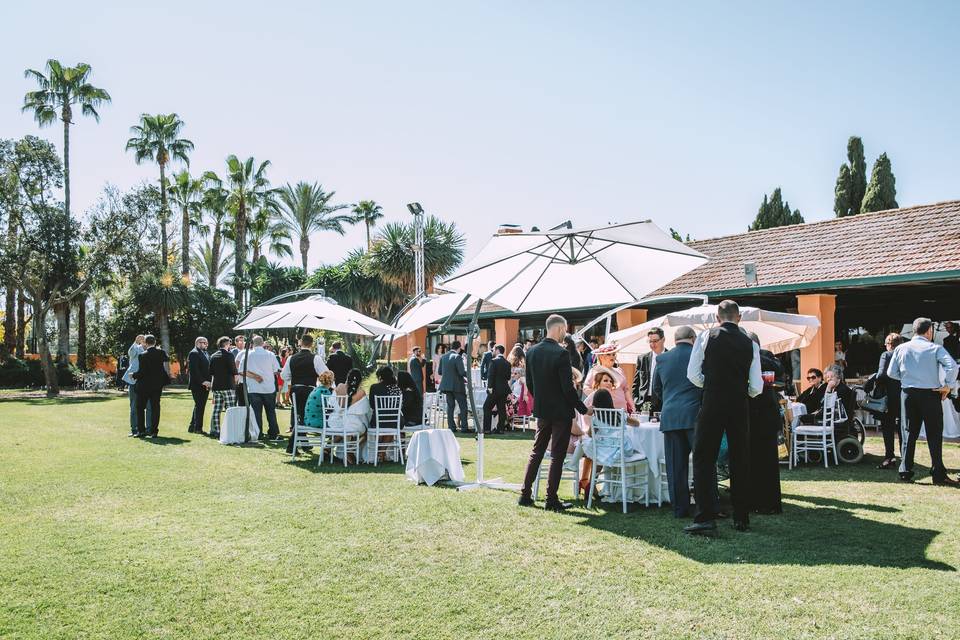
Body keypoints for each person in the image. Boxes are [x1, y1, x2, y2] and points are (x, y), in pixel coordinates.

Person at [684, 300, 763, 535]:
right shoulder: (750, 342)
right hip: (739, 403)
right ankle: (741, 517)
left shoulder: (706, 337)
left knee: (703, 458)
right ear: (739, 318)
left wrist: (710, 386)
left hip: (712, 401)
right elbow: (757, 385)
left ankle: (705, 516)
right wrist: (743, 391)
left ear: (717, 318)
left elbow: (692, 374)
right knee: (740, 458)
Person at [519, 314, 591, 512]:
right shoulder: (560, 354)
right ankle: (551, 499)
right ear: (559, 329)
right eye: (565, 329)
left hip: (542, 410)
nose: (565, 333)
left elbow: (531, 384)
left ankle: (525, 494)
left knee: (537, 451)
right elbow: (568, 389)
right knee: (557, 455)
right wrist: (584, 408)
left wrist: (542, 399)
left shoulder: (531, 352)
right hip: (560, 411)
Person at [887, 317, 958, 485]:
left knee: (908, 433)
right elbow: (952, 366)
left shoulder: (901, 348)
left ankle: (905, 471)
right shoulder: (935, 348)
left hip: (908, 393)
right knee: (934, 434)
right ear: (929, 331)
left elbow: (891, 373)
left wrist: (906, 379)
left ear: (914, 331)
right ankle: (938, 473)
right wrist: (948, 385)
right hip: (930, 394)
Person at [651, 325, 701, 518]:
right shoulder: (698, 356)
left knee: (675, 466)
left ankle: (680, 509)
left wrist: (670, 401)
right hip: (695, 415)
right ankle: (706, 504)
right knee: (701, 463)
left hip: (670, 415)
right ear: (693, 338)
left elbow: (656, 390)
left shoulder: (662, 359)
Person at [745, 332, 783, 514]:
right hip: (767, 415)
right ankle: (768, 502)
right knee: (767, 462)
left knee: (758, 461)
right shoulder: (769, 358)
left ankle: (760, 502)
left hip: (758, 415)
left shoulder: (758, 359)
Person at [282, 334, 327, 452]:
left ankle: (302, 444)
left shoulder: (291, 358)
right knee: (302, 417)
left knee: (299, 416)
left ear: (301, 343)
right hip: (309, 390)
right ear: (312, 344)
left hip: (295, 389)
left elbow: (284, 375)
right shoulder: (315, 358)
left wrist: (294, 379)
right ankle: (292, 446)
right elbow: (325, 373)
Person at [240, 335, 282, 441]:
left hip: (254, 388)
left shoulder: (247, 355)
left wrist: (255, 376)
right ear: (263, 343)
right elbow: (277, 370)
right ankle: (273, 433)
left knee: (256, 413)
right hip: (268, 388)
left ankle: (258, 433)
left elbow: (241, 371)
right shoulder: (270, 355)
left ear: (252, 344)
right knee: (271, 412)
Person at [132, 334, 171, 438]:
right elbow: (167, 358)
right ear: (154, 342)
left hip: (144, 386)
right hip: (157, 385)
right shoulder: (161, 353)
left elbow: (142, 372)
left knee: (140, 408)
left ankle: (141, 431)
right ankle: (154, 431)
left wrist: (133, 375)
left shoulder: (143, 355)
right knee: (155, 408)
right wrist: (159, 349)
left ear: (145, 343)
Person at [875, 332, 904, 469]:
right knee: (903, 428)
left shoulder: (886, 355)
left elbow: (881, 375)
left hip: (889, 397)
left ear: (889, 344)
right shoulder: (905, 355)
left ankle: (889, 457)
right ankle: (905, 458)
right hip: (904, 395)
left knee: (888, 428)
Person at [585, 344, 635, 413]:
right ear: (601, 357)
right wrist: (600, 396)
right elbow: (586, 388)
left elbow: (626, 390)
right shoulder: (595, 371)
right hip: (604, 411)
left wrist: (633, 406)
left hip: (622, 410)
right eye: (608, 354)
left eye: (614, 354)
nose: (612, 356)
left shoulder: (619, 370)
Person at [208, 336, 238, 438]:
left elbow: (211, 372)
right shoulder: (229, 355)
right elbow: (233, 370)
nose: (230, 345)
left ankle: (215, 430)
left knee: (217, 409)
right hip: (228, 385)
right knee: (230, 409)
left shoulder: (213, 356)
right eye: (229, 343)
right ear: (226, 344)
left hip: (217, 385)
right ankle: (229, 429)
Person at [438, 340, 469, 432]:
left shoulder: (443, 357)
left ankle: (451, 427)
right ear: (459, 348)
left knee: (450, 406)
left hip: (446, 386)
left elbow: (440, 372)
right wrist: (469, 374)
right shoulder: (457, 357)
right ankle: (464, 427)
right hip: (457, 386)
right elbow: (462, 372)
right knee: (463, 406)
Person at [633, 327, 667, 407]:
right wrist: (635, 400)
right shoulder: (642, 358)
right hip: (644, 402)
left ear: (663, 339)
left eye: (655, 341)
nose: (652, 344)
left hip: (664, 401)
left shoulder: (671, 357)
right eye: (650, 341)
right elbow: (636, 382)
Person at [122, 334, 146, 437]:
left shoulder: (152, 351)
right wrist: (136, 342)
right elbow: (130, 353)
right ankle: (134, 429)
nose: (145, 342)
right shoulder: (136, 349)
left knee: (148, 407)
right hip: (134, 381)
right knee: (134, 406)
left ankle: (147, 429)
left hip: (147, 382)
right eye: (143, 340)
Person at [483, 344, 511, 433]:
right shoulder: (507, 363)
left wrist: (489, 388)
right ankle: (501, 429)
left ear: (498, 350)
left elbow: (490, 376)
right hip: (504, 389)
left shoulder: (493, 361)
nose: (493, 351)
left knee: (486, 407)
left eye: (494, 350)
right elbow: (508, 377)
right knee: (501, 409)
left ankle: (487, 429)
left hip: (494, 389)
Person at [187, 336, 211, 434]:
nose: (204, 344)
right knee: (200, 406)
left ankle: (192, 427)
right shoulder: (194, 353)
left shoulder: (206, 353)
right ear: (197, 343)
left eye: (205, 342)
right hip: (197, 384)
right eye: (202, 342)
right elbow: (194, 371)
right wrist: (203, 382)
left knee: (199, 405)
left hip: (206, 384)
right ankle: (198, 429)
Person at [507, 344, 533, 419]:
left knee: (510, 396)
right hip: (522, 383)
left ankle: (509, 416)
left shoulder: (511, 363)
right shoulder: (524, 362)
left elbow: (510, 379)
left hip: (515, 382)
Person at [233, 335, 247, 406]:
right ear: (236, 342)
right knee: (234, 399)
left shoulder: (249, 351)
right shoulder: (232, 352)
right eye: (240, 341)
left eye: (243, 341)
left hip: (246, 379)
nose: (242, 343)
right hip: (235, 379)